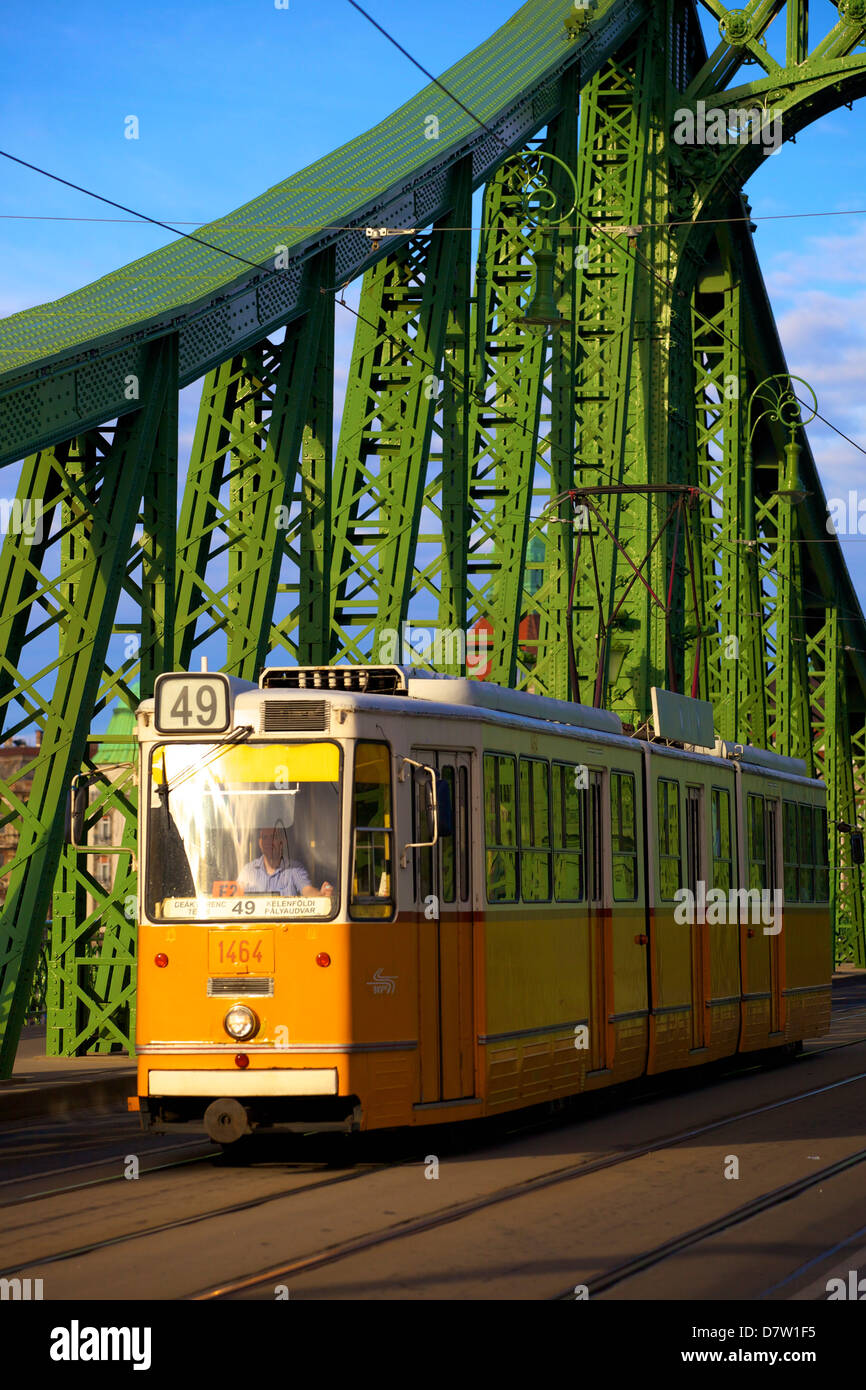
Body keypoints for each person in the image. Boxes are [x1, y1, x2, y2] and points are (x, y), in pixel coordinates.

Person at [238, 826, 332, 898]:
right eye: (265, 837)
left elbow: (307, 890)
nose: (269, 842)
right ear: (260, 843)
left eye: (273, 837)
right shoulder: (248, 870)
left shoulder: (294, 869)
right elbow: (235, 898)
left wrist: (320, 895)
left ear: (281, 842)